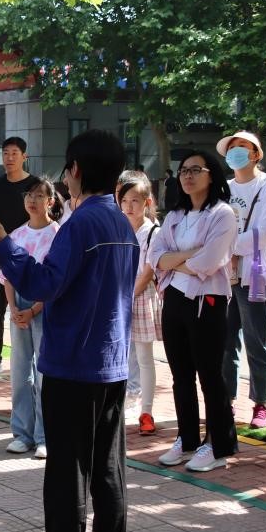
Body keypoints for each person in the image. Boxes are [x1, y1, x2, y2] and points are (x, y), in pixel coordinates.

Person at [0, 129, 138, 532]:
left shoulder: (81, 224)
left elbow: (45, 282)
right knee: (108, 471)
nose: (65, 178)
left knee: (68, 472)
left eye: (67, 169)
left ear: (77, 170)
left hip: (73, 363)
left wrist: (3, 243)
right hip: (110, 363)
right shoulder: (121, 224)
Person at [148, 151, 239, 472]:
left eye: (196, 170)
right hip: (174, 298)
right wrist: (188, 256)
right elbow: (155, 256)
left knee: (210, 375)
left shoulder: (222, 214)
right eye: (184, 170)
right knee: (181, 375)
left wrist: (174, 260)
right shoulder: (175, 215)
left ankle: (218, 445)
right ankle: (187, 440)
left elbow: (209, 262)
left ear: (211, 174)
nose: (187, 175)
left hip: (207, 300)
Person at [218, 130, 266, 429]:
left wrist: (225, 247)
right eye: (231, 148)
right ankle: (226, 401)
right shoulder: (223, 188)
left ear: (256, 153)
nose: (235, 152)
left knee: (258, 343)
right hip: (223, 277)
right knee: (224, 342)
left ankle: (261, 404)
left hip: (256, 276)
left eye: (242, 146)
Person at [1, 178, 61, 458]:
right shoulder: (17, 234)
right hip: (18, 306)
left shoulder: (58, 234)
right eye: (29, 195)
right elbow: (7, 275)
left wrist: (35, 309)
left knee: (44, 374)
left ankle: (45, 436)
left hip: (45, 307)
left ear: (50, 201)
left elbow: (55, 279)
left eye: (39, 195)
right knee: (20, 371)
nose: (32, 200)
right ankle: (22, 434)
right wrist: (13, 308)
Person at [0, 137, 40, 375]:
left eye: (15, 153)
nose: (9, 158)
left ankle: (35, 360)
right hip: (1, 254)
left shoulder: (35, 185)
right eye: (5, 153)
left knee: (31, 306)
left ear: (24, 156)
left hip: (29, 255)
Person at [119, 171, 162, 436]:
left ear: (147, 202)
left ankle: (146, 411)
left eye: (135, 200)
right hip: (120, 297)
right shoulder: (119, 229)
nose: (129, 206)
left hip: (140, 296)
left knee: (144, 357)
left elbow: (148, 272)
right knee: (120, 355)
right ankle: (123, 403)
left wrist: (127, 296)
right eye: (124, 200)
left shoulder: (153, 232)